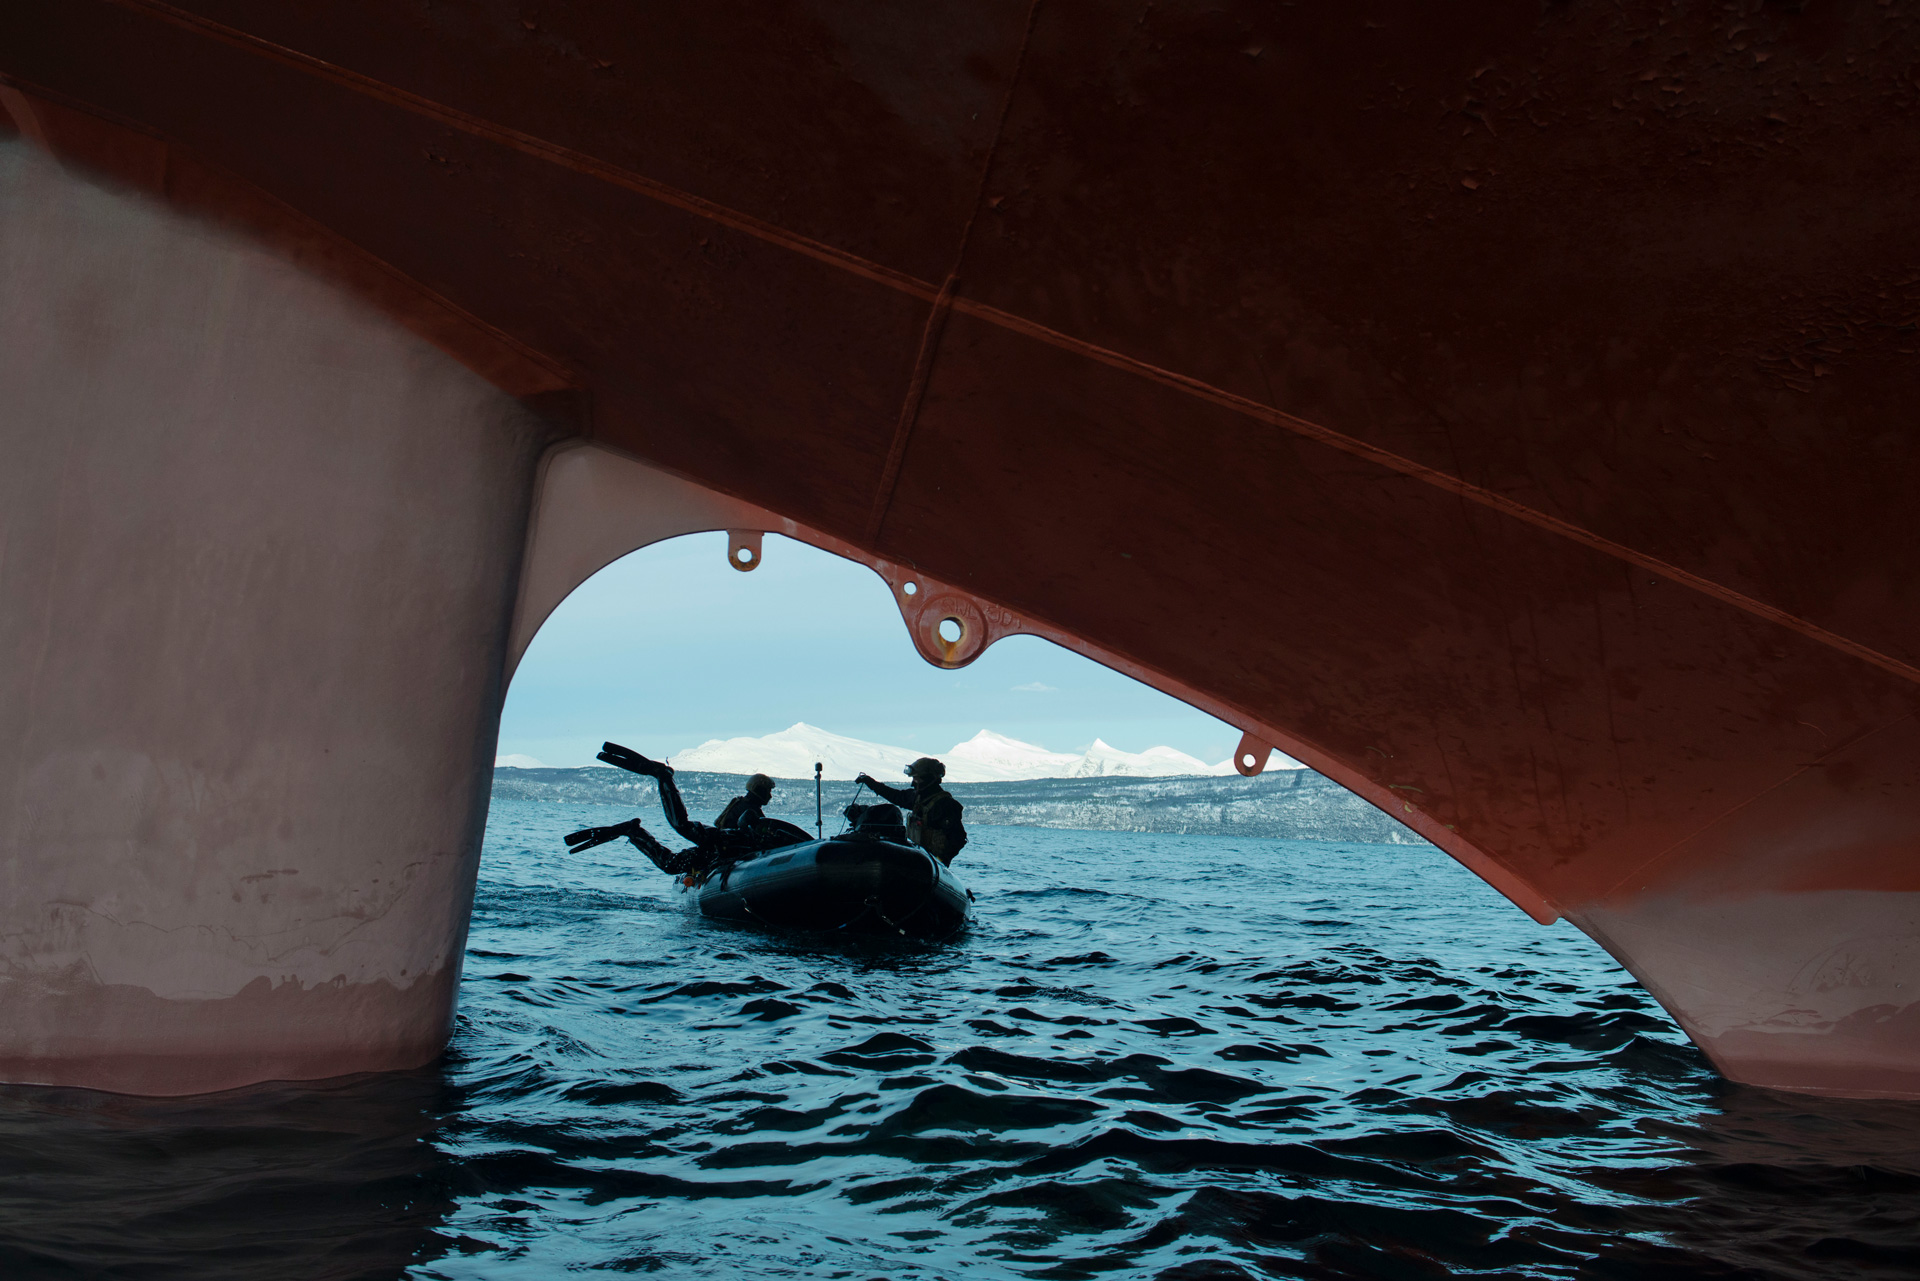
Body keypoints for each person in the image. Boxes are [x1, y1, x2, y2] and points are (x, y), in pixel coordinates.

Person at [855, 756, 967, 865]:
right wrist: (870, 782)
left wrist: (941, 860)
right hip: (917, 856)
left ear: (927, 779)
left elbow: (958, 838)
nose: (913, 783)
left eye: (916, 778)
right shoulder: (917, 798)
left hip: (932, 861)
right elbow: (894, 795)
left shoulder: (945, 805)